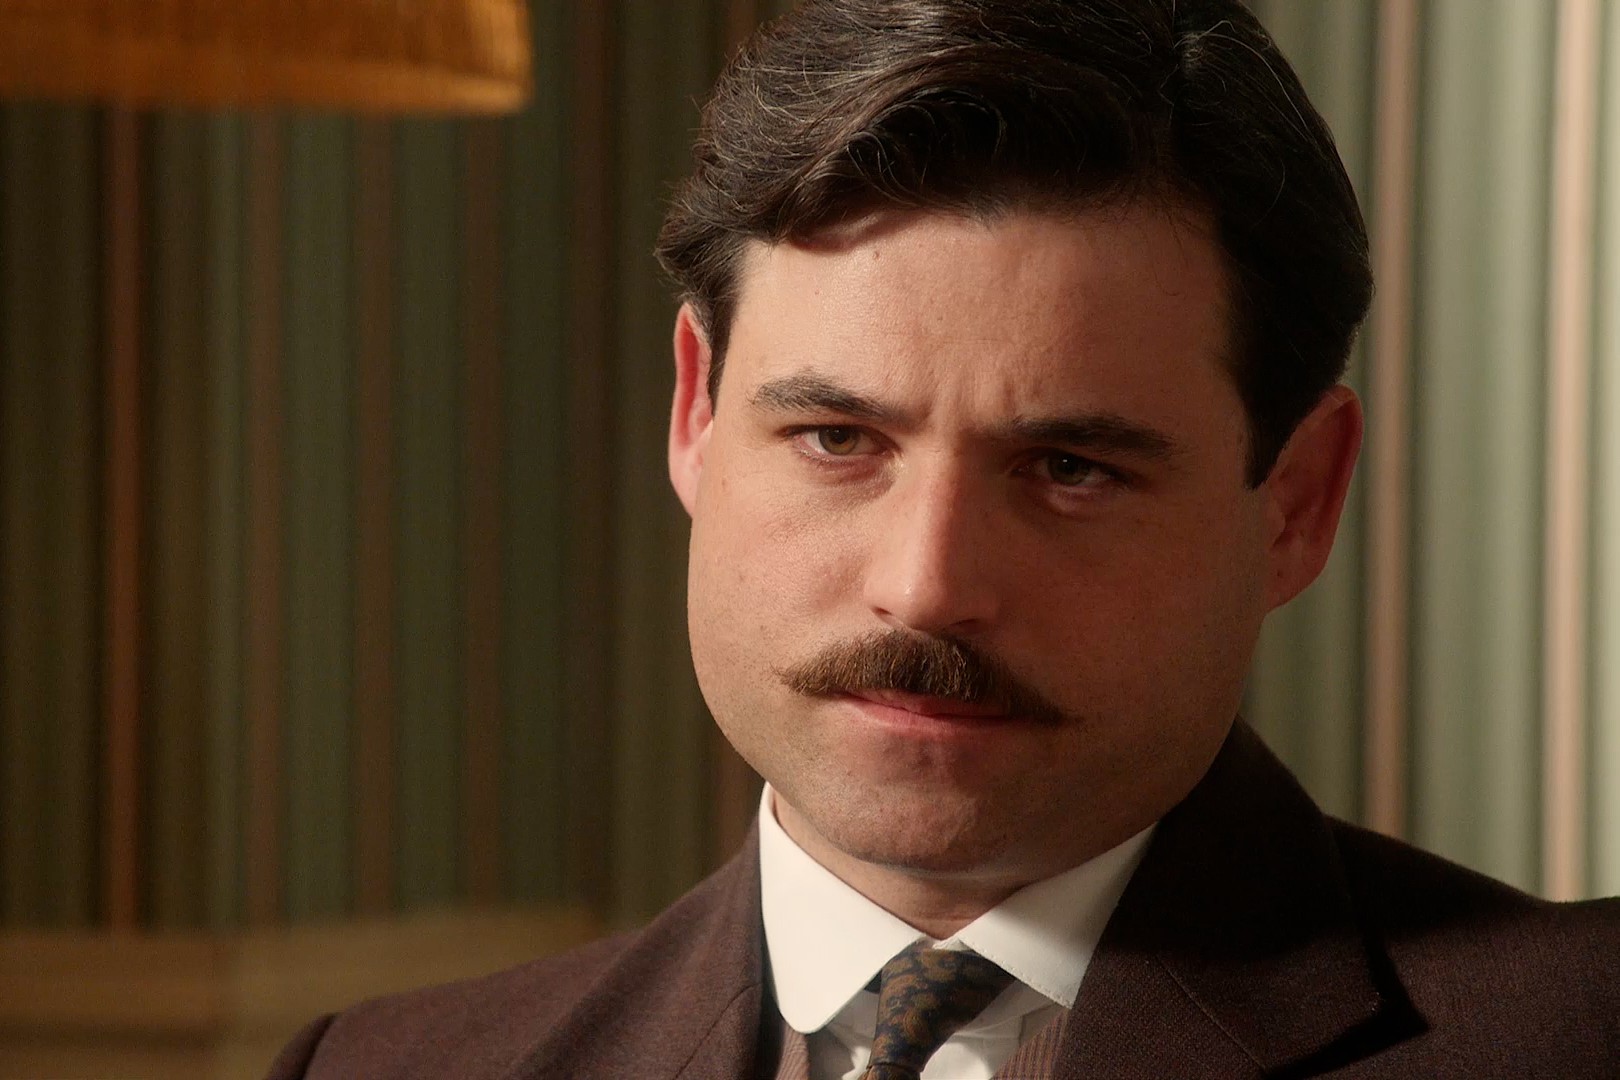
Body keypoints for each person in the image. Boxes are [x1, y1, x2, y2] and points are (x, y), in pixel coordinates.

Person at [268, 1, 1620, 1077]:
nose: (927, 586)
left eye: (1071, 470)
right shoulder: (378, 1068)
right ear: (696, 416)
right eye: (837, 439)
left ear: (1298, 503)